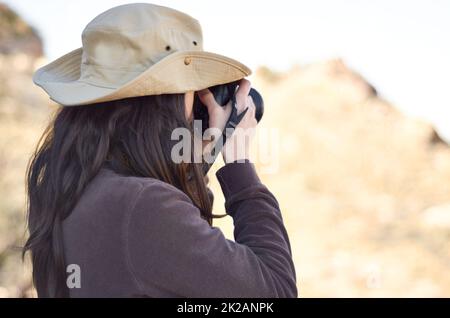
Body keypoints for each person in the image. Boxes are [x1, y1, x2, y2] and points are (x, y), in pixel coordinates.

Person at [24, 3, 297, 298]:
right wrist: (238, 161)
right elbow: (275, 291)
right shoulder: (142, 207)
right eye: (194, 92)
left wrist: (197, 159)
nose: (196, 110)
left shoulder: (67, 195)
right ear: (166, 102)